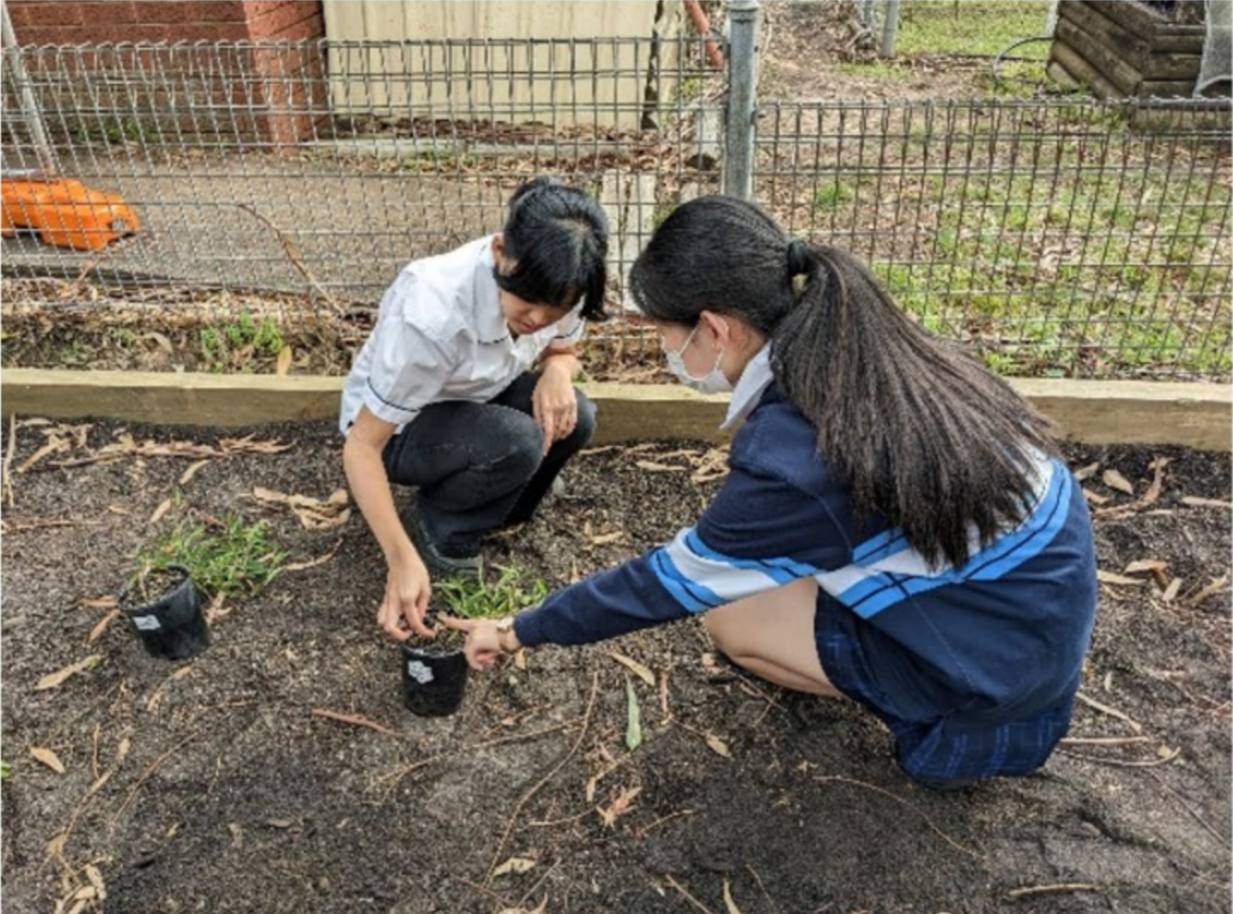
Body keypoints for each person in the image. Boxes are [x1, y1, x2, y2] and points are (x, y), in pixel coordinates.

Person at [445, 195, 1098, 790]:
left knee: (732, 619)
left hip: (993, 683)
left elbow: (663, 584)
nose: (663, 349)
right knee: (762, 581)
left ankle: (922, 704)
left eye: (662, 333)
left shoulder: (797, 462)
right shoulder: (863, 342)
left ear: (713, 329)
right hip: (1032, 612)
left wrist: (514, 631)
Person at [342, 177, 609, 642]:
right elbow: (362, 446)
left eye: (555, 310)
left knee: (577, 417)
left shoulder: (564, 282)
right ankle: (442, 530)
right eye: (530, 303)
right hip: (399, 432)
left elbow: (563, 348)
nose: (539, 320)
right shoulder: (433, 311)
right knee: (518, 441)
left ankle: (504, 504)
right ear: (501, 252)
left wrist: (559, 373)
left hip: (476, 396)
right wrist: (400, 558)